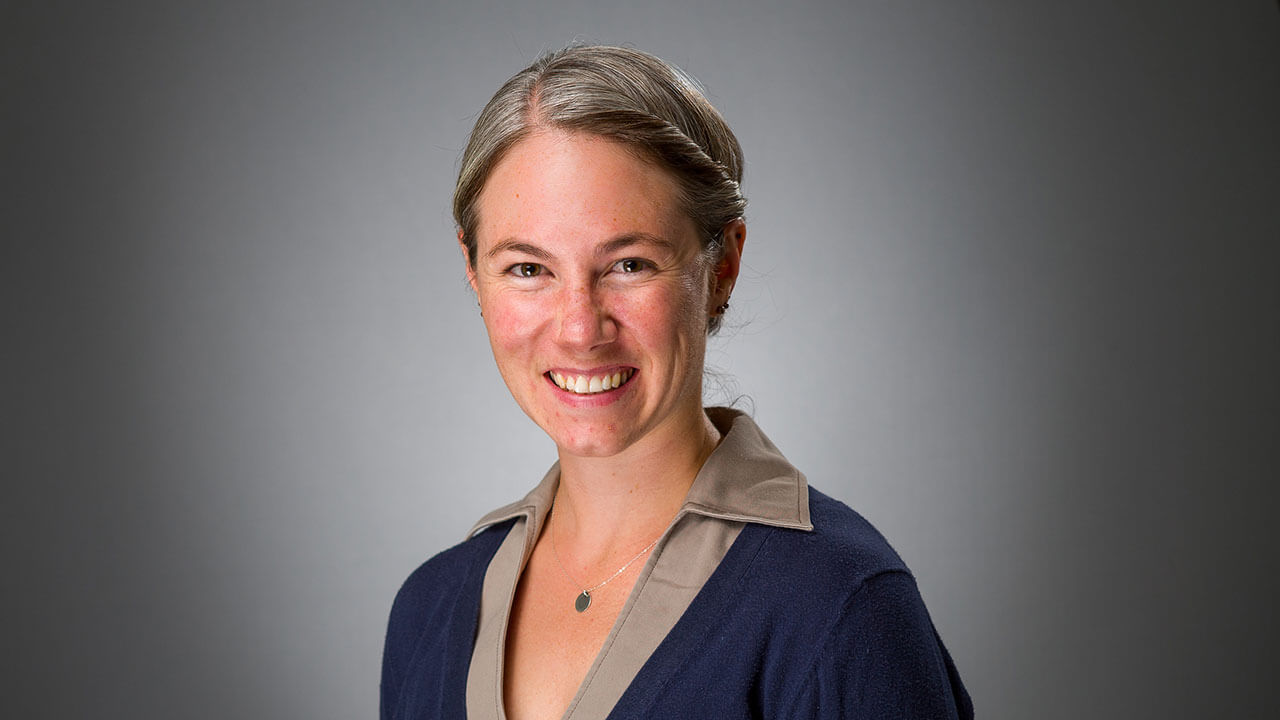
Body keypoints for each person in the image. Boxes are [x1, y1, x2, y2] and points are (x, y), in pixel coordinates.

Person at [381, 45, 973, 720]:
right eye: (527, 269)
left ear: (722, 266)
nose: (580, 328)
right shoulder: (429, 612)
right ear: (472, 269)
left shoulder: (840, 606)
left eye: (629, 264)